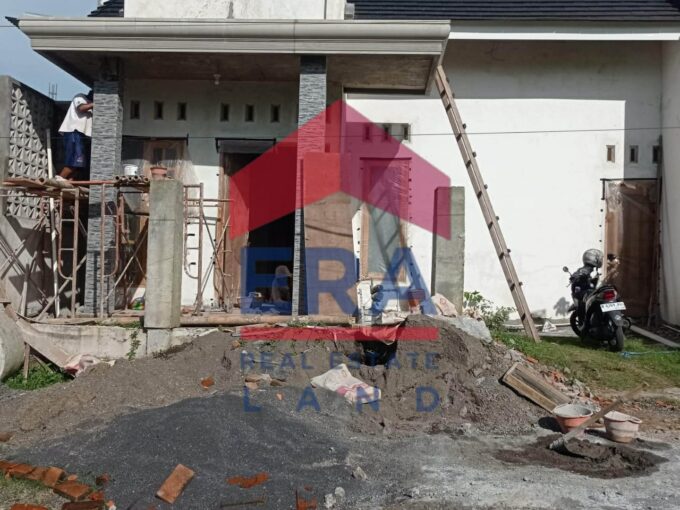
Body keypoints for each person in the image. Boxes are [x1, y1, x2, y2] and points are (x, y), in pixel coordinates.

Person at [58, 91, 94, 180]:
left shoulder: (91, 104)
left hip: (82, 135)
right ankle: (58, 180)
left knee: (79, 164)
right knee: (74, 161)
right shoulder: (80, 97)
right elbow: (81, 108)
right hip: (73, 131)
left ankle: (69, 182)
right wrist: (96, 103)